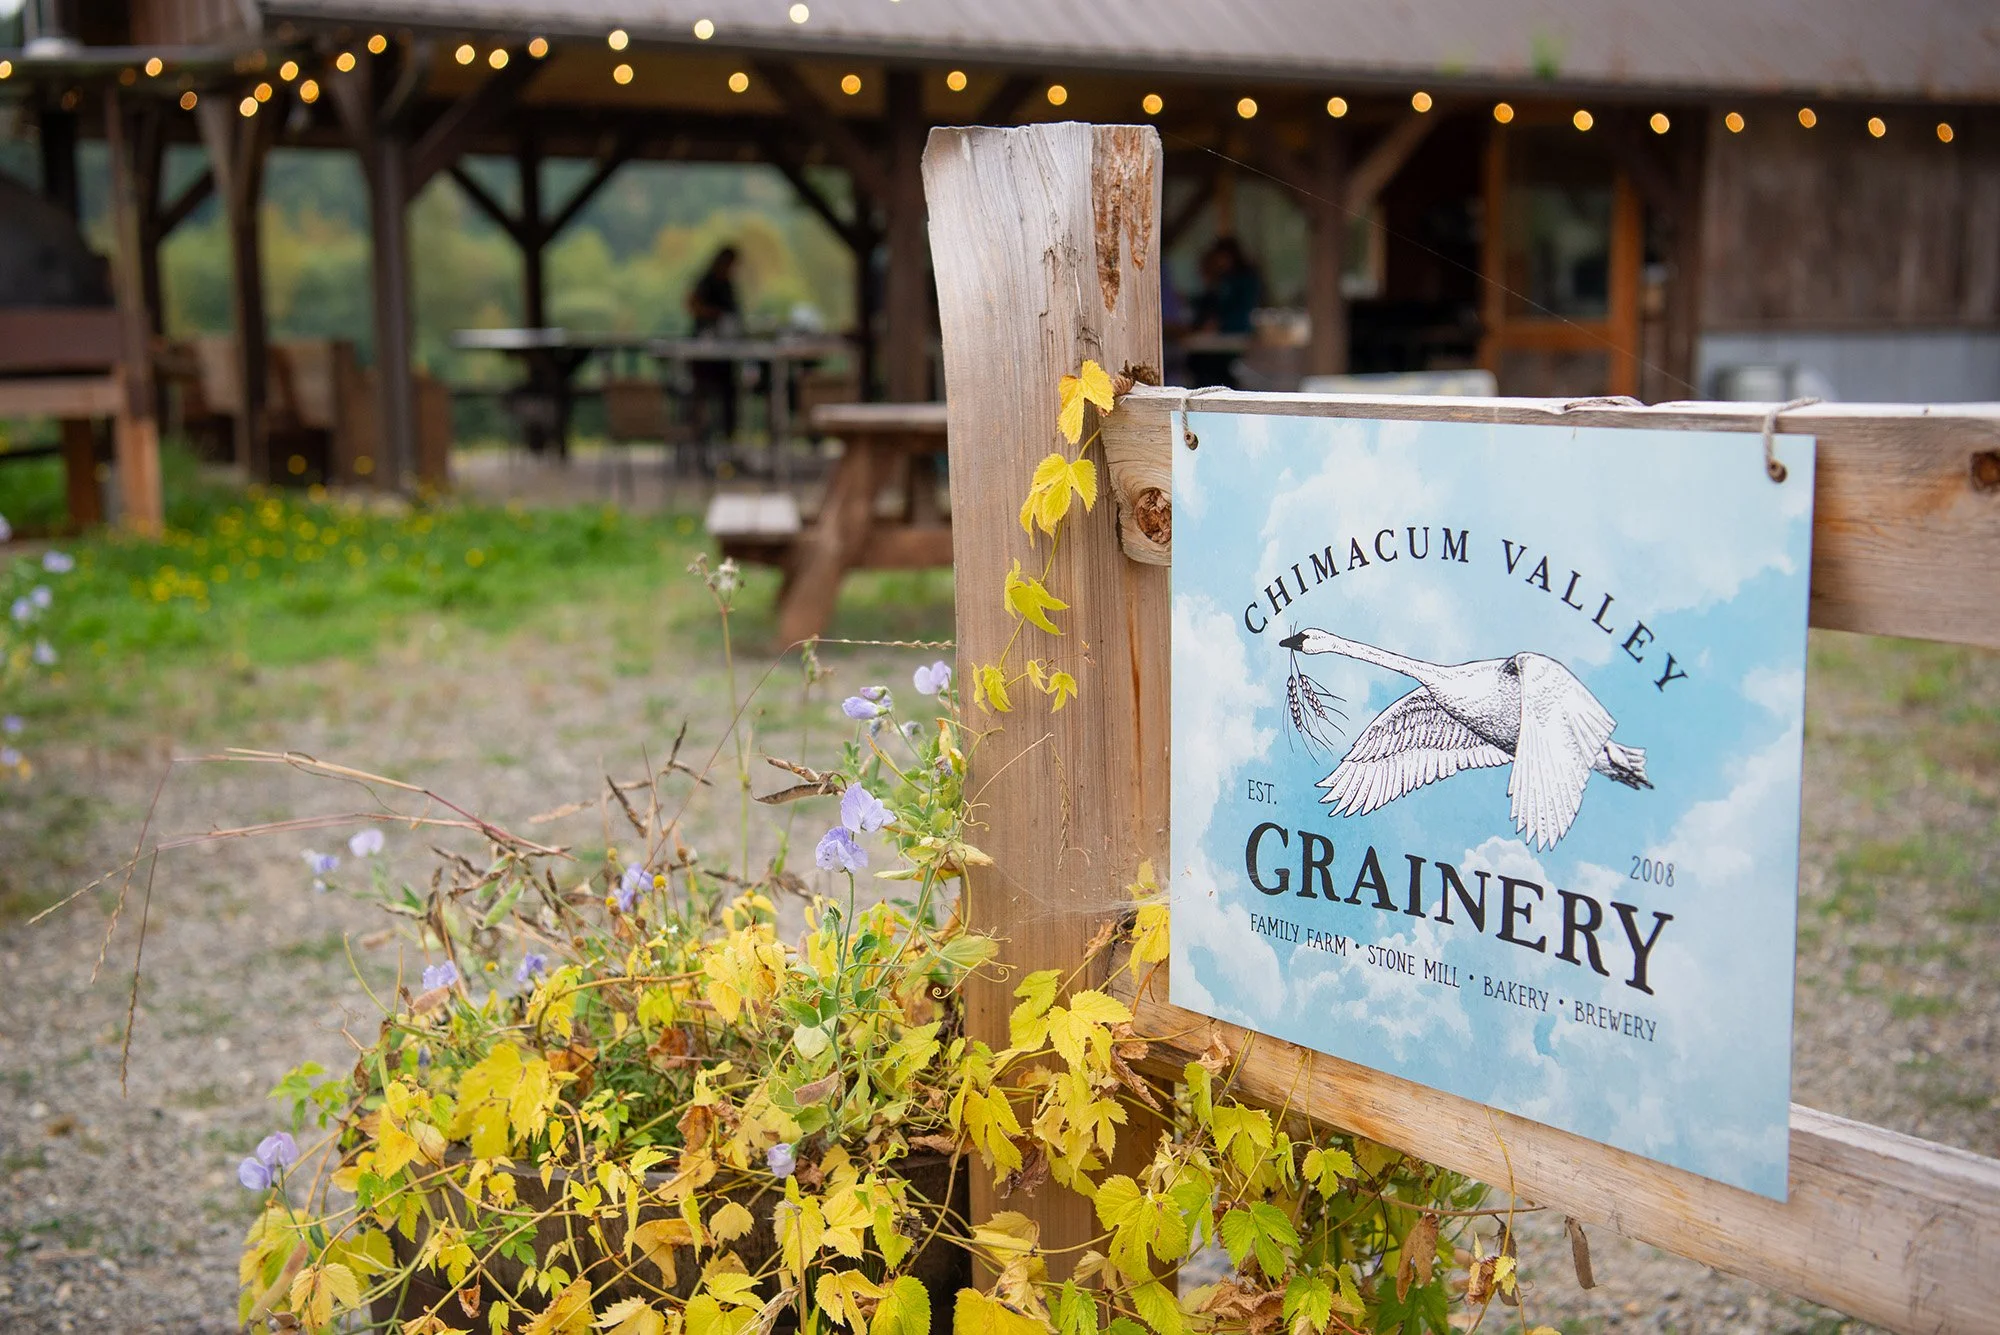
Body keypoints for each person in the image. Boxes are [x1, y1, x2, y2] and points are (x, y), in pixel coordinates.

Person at [1188, 236, 1263, 388]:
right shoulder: (1223, 280)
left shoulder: (1244, 280)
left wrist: (1219, 324)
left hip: (1234, 336)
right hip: (1219, 339)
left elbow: (1240, 311)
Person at [687, 247, 742, 449]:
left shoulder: (728, 284)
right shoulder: (706, 281)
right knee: (700, 396)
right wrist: (714, 314)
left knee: (729, 395)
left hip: (726, 354)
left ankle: (729, 440)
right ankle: (700, 440)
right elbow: (691, 304)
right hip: (704, 354)